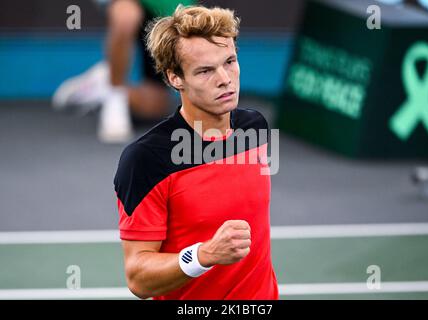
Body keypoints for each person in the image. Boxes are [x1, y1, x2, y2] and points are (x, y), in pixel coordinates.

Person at [114, 5, 279, 300]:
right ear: (176, 78)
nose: (225, 79)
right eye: (205, 71)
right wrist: (203, 255)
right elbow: (138, 277)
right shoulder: (146, 159)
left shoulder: (255, 129)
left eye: (229, 61)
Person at [52, 0, 193, 143]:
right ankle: (115, 95)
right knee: (126, 16)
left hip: (170, 12)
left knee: (156, 107)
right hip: (132, 5)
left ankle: (102, 83)